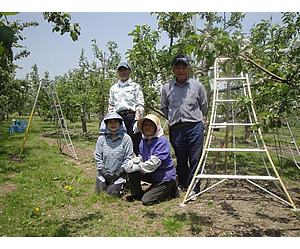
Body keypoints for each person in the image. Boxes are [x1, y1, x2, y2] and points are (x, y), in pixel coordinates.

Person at [160, 55, 208, 193]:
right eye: (178, 68)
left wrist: (198, 119)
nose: (181, 70)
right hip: (176, 127)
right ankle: (183, 182)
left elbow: (204, 106)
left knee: (195, 157)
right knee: (180, 157)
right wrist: (172, 117)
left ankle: (194, 186)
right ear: (173, 70)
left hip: (194, 126)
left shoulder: (197, 86)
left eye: (184, 67)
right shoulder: (167, 87)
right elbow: (164, 106)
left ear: (189, 69)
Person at [125, 114, 178, 205]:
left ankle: (171, 188)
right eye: (145, 125)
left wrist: (138, 167)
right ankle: (137, 194)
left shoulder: (162, 141)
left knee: (147, 201)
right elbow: (143, 157)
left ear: (156, 127)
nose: (147, 128)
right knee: (132, 172)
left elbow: (154, 163)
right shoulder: (144, 140)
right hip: (153, 174)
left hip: (164, 177)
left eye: (150, 125)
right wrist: (132, 162)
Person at [108, 62, 144, 156]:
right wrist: (110, 119)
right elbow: (111, 105)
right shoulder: (113, 88)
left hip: (131, 116)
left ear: (129, 71)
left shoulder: (135, 86)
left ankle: (141, 164)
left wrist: (138, 120)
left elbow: (140, 104)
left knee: (136, 141)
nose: (123, 72)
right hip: (118, 117)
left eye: (125, 70)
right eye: (120, 70)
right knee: (119, 142)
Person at [94, 112, 133, 197]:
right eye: (110, 122)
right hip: (104, 173)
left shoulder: (126, 139)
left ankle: (124, 183)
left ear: (120, 123)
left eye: (115, 122)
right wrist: (105, 174)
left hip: (120, 174)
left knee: (113, 193)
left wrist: (117, 174)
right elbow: (97, 157)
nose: (113, 124)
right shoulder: (101, 139)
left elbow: (128, 158)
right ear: (106, 124)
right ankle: (105, 182)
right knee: (99, 191)